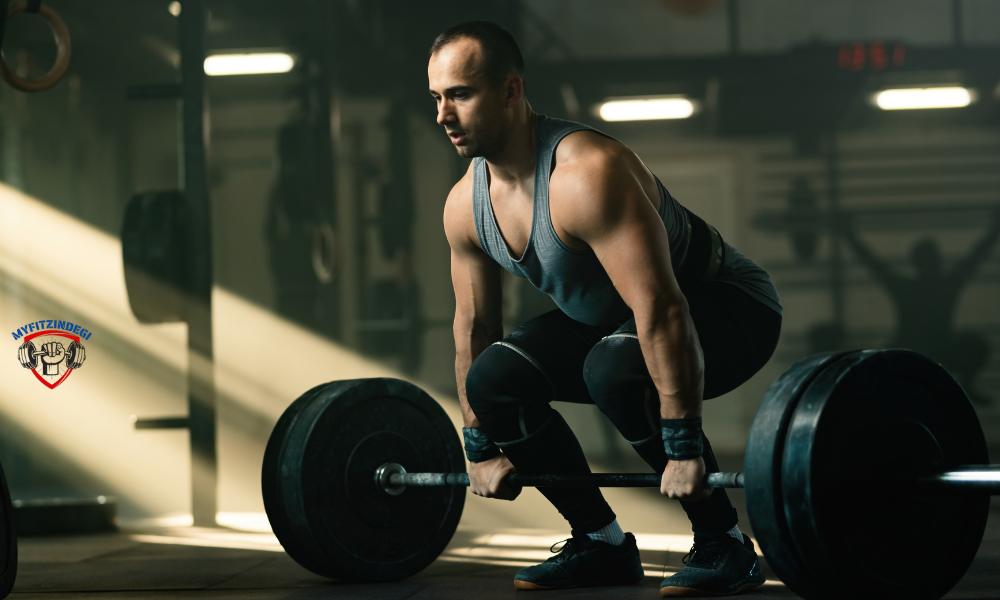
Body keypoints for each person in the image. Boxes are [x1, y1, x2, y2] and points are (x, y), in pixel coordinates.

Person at [430, 21, 782, 596]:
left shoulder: (586, 175)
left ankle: (725, 543)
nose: (444, 115)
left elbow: (664, 310)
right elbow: (473, 328)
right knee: (494, 378)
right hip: (614, 324)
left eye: (461, 95)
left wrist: (684, 448)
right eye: (437, 98)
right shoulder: (463, 207)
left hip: (727, 305)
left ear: (511, 91)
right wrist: (480, 445)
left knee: (611, 368)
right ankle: (601, 542)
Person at [840, 209, 1000, 403]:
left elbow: (873, 263)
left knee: (976, 346)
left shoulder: (914, 288)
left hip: (919, 352)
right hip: (921, 353)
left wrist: (847, 232)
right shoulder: (944, 286)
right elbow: (975, 257)